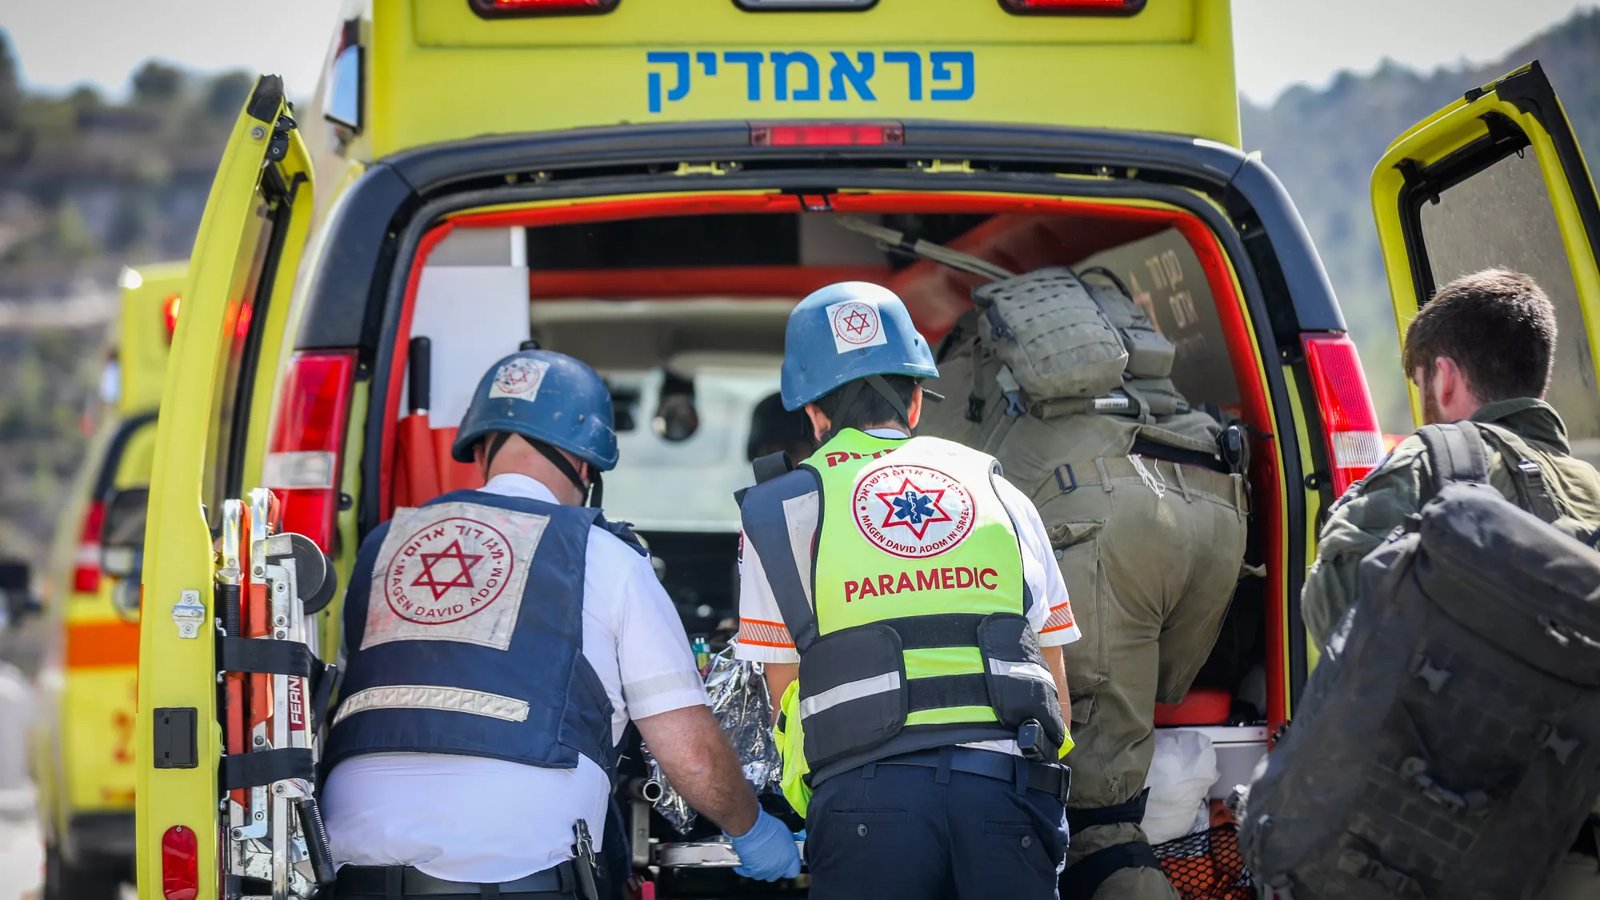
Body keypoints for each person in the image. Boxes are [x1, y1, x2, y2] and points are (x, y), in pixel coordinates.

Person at [322, 350, 801, 899]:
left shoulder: (382, 547)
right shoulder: (603, 556)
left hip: (354, 874)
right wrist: (752, 828)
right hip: (514, 881)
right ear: (584, 462)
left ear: (482, 447)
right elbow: (687, 749)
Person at [917, 268, 1252, 900]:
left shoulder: (959, 371)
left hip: (1103, 518)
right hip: (1216, 500)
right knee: (1142, 714)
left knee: (1096, 815)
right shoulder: (1125, 350)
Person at [735, 282, 1078, 900]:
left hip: (866, 805)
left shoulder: (778, 510)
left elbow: (786, 692)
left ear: (812, 414)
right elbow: (1052, 672)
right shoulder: (1004, 491)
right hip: (1010, 790)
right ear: (916, 400)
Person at [1301, 268, 1600, 899]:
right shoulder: (1594, 490)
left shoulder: (1433, 461)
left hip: (1450, 843)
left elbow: (1333, 612)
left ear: (1444, 375)